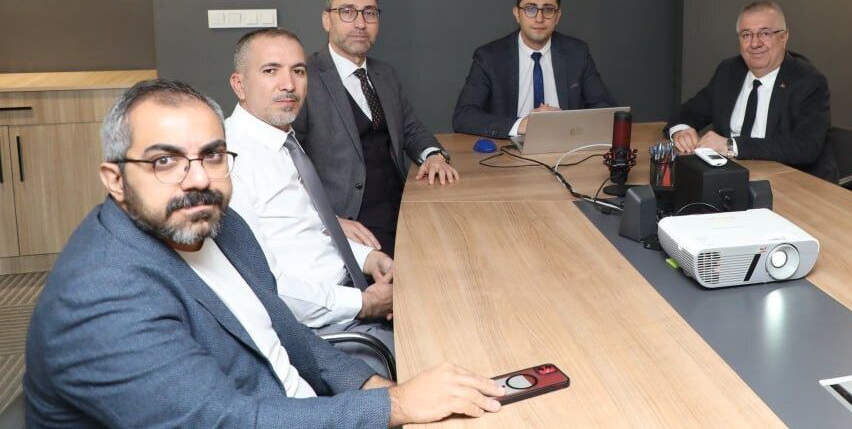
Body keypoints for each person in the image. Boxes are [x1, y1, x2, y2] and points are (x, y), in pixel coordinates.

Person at [24, 79, 503, 428]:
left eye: (213, 155)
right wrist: (395, 408)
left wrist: (375, 389)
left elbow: (290, 336)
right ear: (115, 180)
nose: (199, 178)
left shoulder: (219, 223)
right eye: (164, 161)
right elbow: (223, 421)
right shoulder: (103, 294)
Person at [226, 28, 395, 360]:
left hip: (345, 295)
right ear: (239, 84)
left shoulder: (281, 140)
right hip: (319, 333)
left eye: (298, 71)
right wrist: (364, 303)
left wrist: (368, 258)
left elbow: (307, 230)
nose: (288, 84)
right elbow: (267, 287)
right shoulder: (229, 163)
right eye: (270, 70)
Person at [294, 0, 457, 255]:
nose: (361, 23)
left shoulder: (385, 74)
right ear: (326, 20)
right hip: (349, 218)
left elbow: (410, 128)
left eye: (369, 13)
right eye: (348, 12)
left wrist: (433, 155)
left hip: (401, 205)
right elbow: (287, 164)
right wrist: (327, 220)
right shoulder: (303, 77)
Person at [666, 1, 830, 174]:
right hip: (730, 176)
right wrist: (681, 132)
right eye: (746, 35)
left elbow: (805, 147)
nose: (755, 43)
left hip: (791, 179)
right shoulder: (729, 71)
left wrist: (732, 146)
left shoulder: (808, 81)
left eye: (765, 33)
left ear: (784, 37)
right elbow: (688, 112)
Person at [452, 0, 615, 138]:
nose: (539, 18)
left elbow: (606, 108)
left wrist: (565, 120)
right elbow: (464, 116)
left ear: (557, 16)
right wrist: (521, 125)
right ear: (517, 14)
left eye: (548, 10)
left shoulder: (577, 53)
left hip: (566, 142)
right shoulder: (489, 57)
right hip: (509, 147)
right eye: (530, 9)